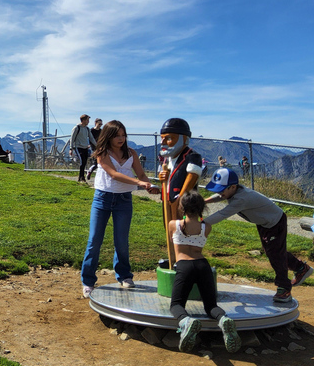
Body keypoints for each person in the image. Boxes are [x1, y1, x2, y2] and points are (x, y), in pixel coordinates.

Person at [204, 168, 314, 303]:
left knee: (275, 254)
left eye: (221, 190)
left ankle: (284, 288)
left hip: (274, 222)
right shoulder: (232, 192)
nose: (219, 193)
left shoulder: (241, 199)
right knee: (274, 251)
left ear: (232, 187)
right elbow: (220, 197)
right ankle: (301, 268)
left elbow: (222, 214)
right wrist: (205, 201)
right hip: (265, 223)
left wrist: (200, 224)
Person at [80, 120, 159, 297]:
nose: (121, 138)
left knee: (121, 241)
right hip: (102, 199)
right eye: (117, 135)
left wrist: (148, 184)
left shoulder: (131, 153)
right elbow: (114, 175)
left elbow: (141, 174)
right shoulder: (102, 153)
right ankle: (88, 281)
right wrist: (139, 183)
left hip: (124, 200)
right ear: (108, 136)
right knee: (94, 241)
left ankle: (124, 276)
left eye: (123, 135)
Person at [168, 191, 241, 353]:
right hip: (202, 265)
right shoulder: (206, 227)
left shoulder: (173, 224)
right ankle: (223, 319)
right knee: (210, 306)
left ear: (183, 207)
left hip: (184, 266)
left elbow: (175, 239)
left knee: (176, 305)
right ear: (202, 208)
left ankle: (186, 322)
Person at [158, 118, 202, 268]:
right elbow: (164, 176)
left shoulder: (192, 156)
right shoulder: (166, 159)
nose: (164, 142)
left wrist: (181, 198)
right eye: (162, 138)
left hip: (184, 202)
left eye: (169, 138)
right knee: (170, 229)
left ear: (184, 139)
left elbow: (192, 176)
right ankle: (173, 258)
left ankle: (185, 258)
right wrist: (161, 177)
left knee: (184, 230)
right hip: (168, 199)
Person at [69, 114, 92, 183]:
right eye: (87, 120)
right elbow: (72, 138)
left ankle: (81, 177)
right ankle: (81, 177)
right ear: (84, 120)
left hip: (85, 147)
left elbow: (91, 138)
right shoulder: (77, 128)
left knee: (85, 162)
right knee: (83, 161)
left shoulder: (87, 129)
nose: (88, 121)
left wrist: (97, 145)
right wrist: (71, 148)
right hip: (78, 147)